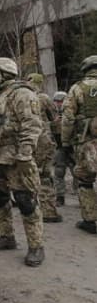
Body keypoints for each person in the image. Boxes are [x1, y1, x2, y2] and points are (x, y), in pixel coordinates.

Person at [0, 58, 45, 267]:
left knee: (25, 200)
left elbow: (32, 125)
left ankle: (36, 246)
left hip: (17, 158)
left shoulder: (23, 93)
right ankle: (7, 236)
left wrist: (25, 154)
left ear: (7, 73)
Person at [62, 55, 97, 234]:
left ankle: (90, 220)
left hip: (88, 142)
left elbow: (67, 118)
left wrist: (65, 141)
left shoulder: (77, 88)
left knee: (85, 179)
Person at [27, 73, 62, 223]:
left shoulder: (22, 97)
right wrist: (60, 141)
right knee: (45, 175)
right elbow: (54, 121)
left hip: (26, 140)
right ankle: (48, 211)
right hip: (42, 140)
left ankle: (31, 207)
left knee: (29, 173)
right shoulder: (44, 98)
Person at [52, 91, 75, 206]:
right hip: (60, 147)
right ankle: (60, 197)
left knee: (77, 172)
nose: (59, 104)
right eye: (57, 101)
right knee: (58, 171)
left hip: (72, 147)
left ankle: (81, 195)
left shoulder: (72, 113)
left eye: (61, 101)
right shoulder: (52, 114)